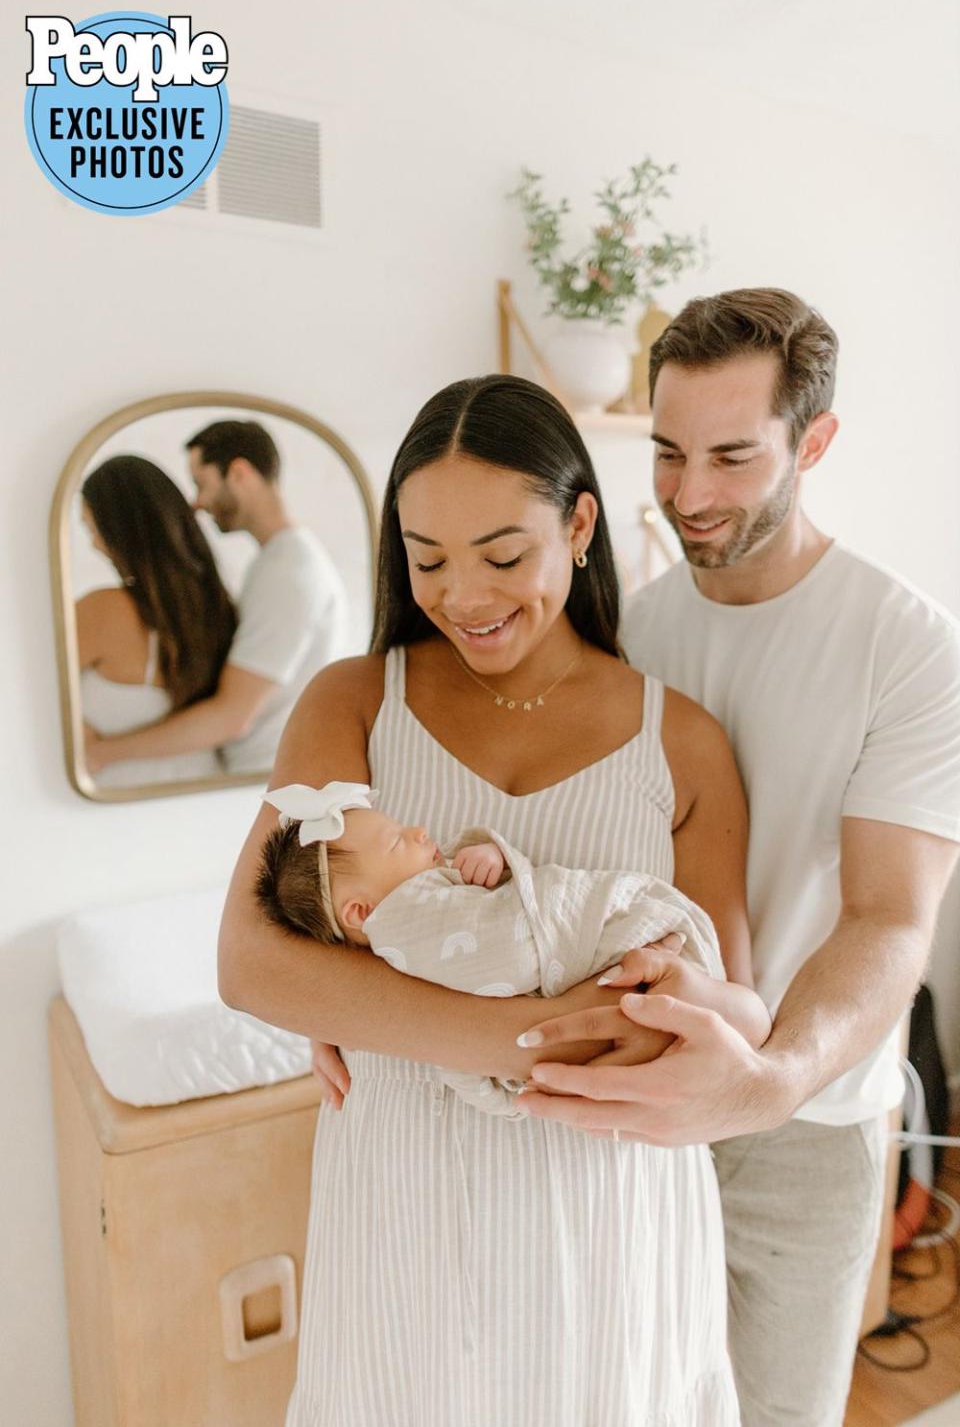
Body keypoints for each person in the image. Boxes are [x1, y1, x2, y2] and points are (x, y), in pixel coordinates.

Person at [218, 374, 753, 1425]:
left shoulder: (680, 741)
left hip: (610, 1215)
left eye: (505, 557)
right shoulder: (356, 702)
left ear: (581, 524)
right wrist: (528, 1037)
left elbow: (732, 1008)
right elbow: (250, 961)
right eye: (427, 561)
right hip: (407, 1206)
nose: (465, 596)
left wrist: (376, 1009)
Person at [513, 289, 960, 1427]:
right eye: (666, 452)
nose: (689, 495)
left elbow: (889, 918)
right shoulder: (629, 629)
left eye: (731, 455)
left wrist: (771, 1078)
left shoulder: (905, 646)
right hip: (631, 1096)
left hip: (805, 1124)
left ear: (814, 443)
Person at [255, 779, 769, 1116]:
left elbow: (481, 909)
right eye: (395, 843)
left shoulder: (432, 898)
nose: (417, 832)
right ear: (362, 915)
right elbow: (508, 948)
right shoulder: (405, 925)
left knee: (734, 1023)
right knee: (732, 1021)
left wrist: (491, 859)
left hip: (643, 972)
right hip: (609, 961)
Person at [86, 419, 351, 778]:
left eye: (201, 483)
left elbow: (233, 716)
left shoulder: (290, 571)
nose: (196, 502)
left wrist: (102, 752)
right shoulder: (274, 564)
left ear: (239, 473)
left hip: (266, 779)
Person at [79, 455, 236, 786]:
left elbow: (26, 696)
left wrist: (90, 745)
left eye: (92, 528)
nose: (94, 544)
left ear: (118, 529)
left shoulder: (105, 610)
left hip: (115, 811)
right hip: (203, 798)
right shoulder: (220, 608)